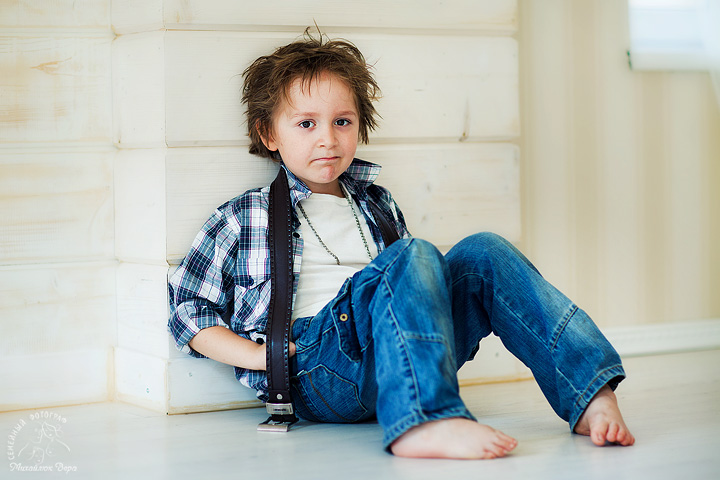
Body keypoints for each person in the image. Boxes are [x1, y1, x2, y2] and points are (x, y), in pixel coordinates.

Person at [168, 30, 635, 459]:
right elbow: (187, 309)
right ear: (269, 134)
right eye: (306, 124)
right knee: (412, 255)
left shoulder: (378, 203)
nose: (328, 139)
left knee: (485, 252)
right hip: (316, 368)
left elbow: (415, 290)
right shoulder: (245, 215)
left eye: (342, 121)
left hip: (392, 359)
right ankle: (424, 419)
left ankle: (589, 393)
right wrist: (258, 355)